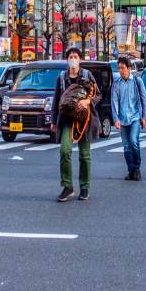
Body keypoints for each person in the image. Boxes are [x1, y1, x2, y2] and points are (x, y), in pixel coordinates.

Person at [52, 49, 99, 202]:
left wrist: (87, 101)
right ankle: (67, 187)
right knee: (65, 151)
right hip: (67, 119)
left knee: (84, 155)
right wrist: (53, 121)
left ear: (80, 59)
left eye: (75, 57)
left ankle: (84, 187)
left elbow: (98, 94)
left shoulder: (86, 75)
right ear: (67, 60)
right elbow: (56, 99)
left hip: (84, 119)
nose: (73, 59)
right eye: (70, 57)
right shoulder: (61, 77)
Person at [111, 58, 146, 181]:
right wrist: (116, 118)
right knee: (126, 146)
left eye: (122, 68)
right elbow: (114, 101)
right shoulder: (116, 83)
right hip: (122, 119)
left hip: (135, 117)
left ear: (129, 68)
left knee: (133, 141)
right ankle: (131, 170)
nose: (120, 71)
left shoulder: (137, 81)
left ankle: (137, 168)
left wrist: (144, 117)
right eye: (119, 68)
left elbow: (143, 99)